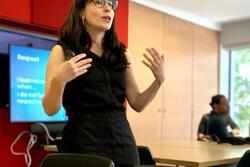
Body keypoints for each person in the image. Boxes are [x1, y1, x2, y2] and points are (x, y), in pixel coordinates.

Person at [42, 0, 165, 166]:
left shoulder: (122, 53)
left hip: (123, 144)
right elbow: (50, 109)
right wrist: (59, 80)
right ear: (81, 11)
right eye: (99, 2)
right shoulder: (63, 51)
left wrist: (158, 81)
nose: (108, 8)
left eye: (112, 4)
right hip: (82, 144)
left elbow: (137, 103)